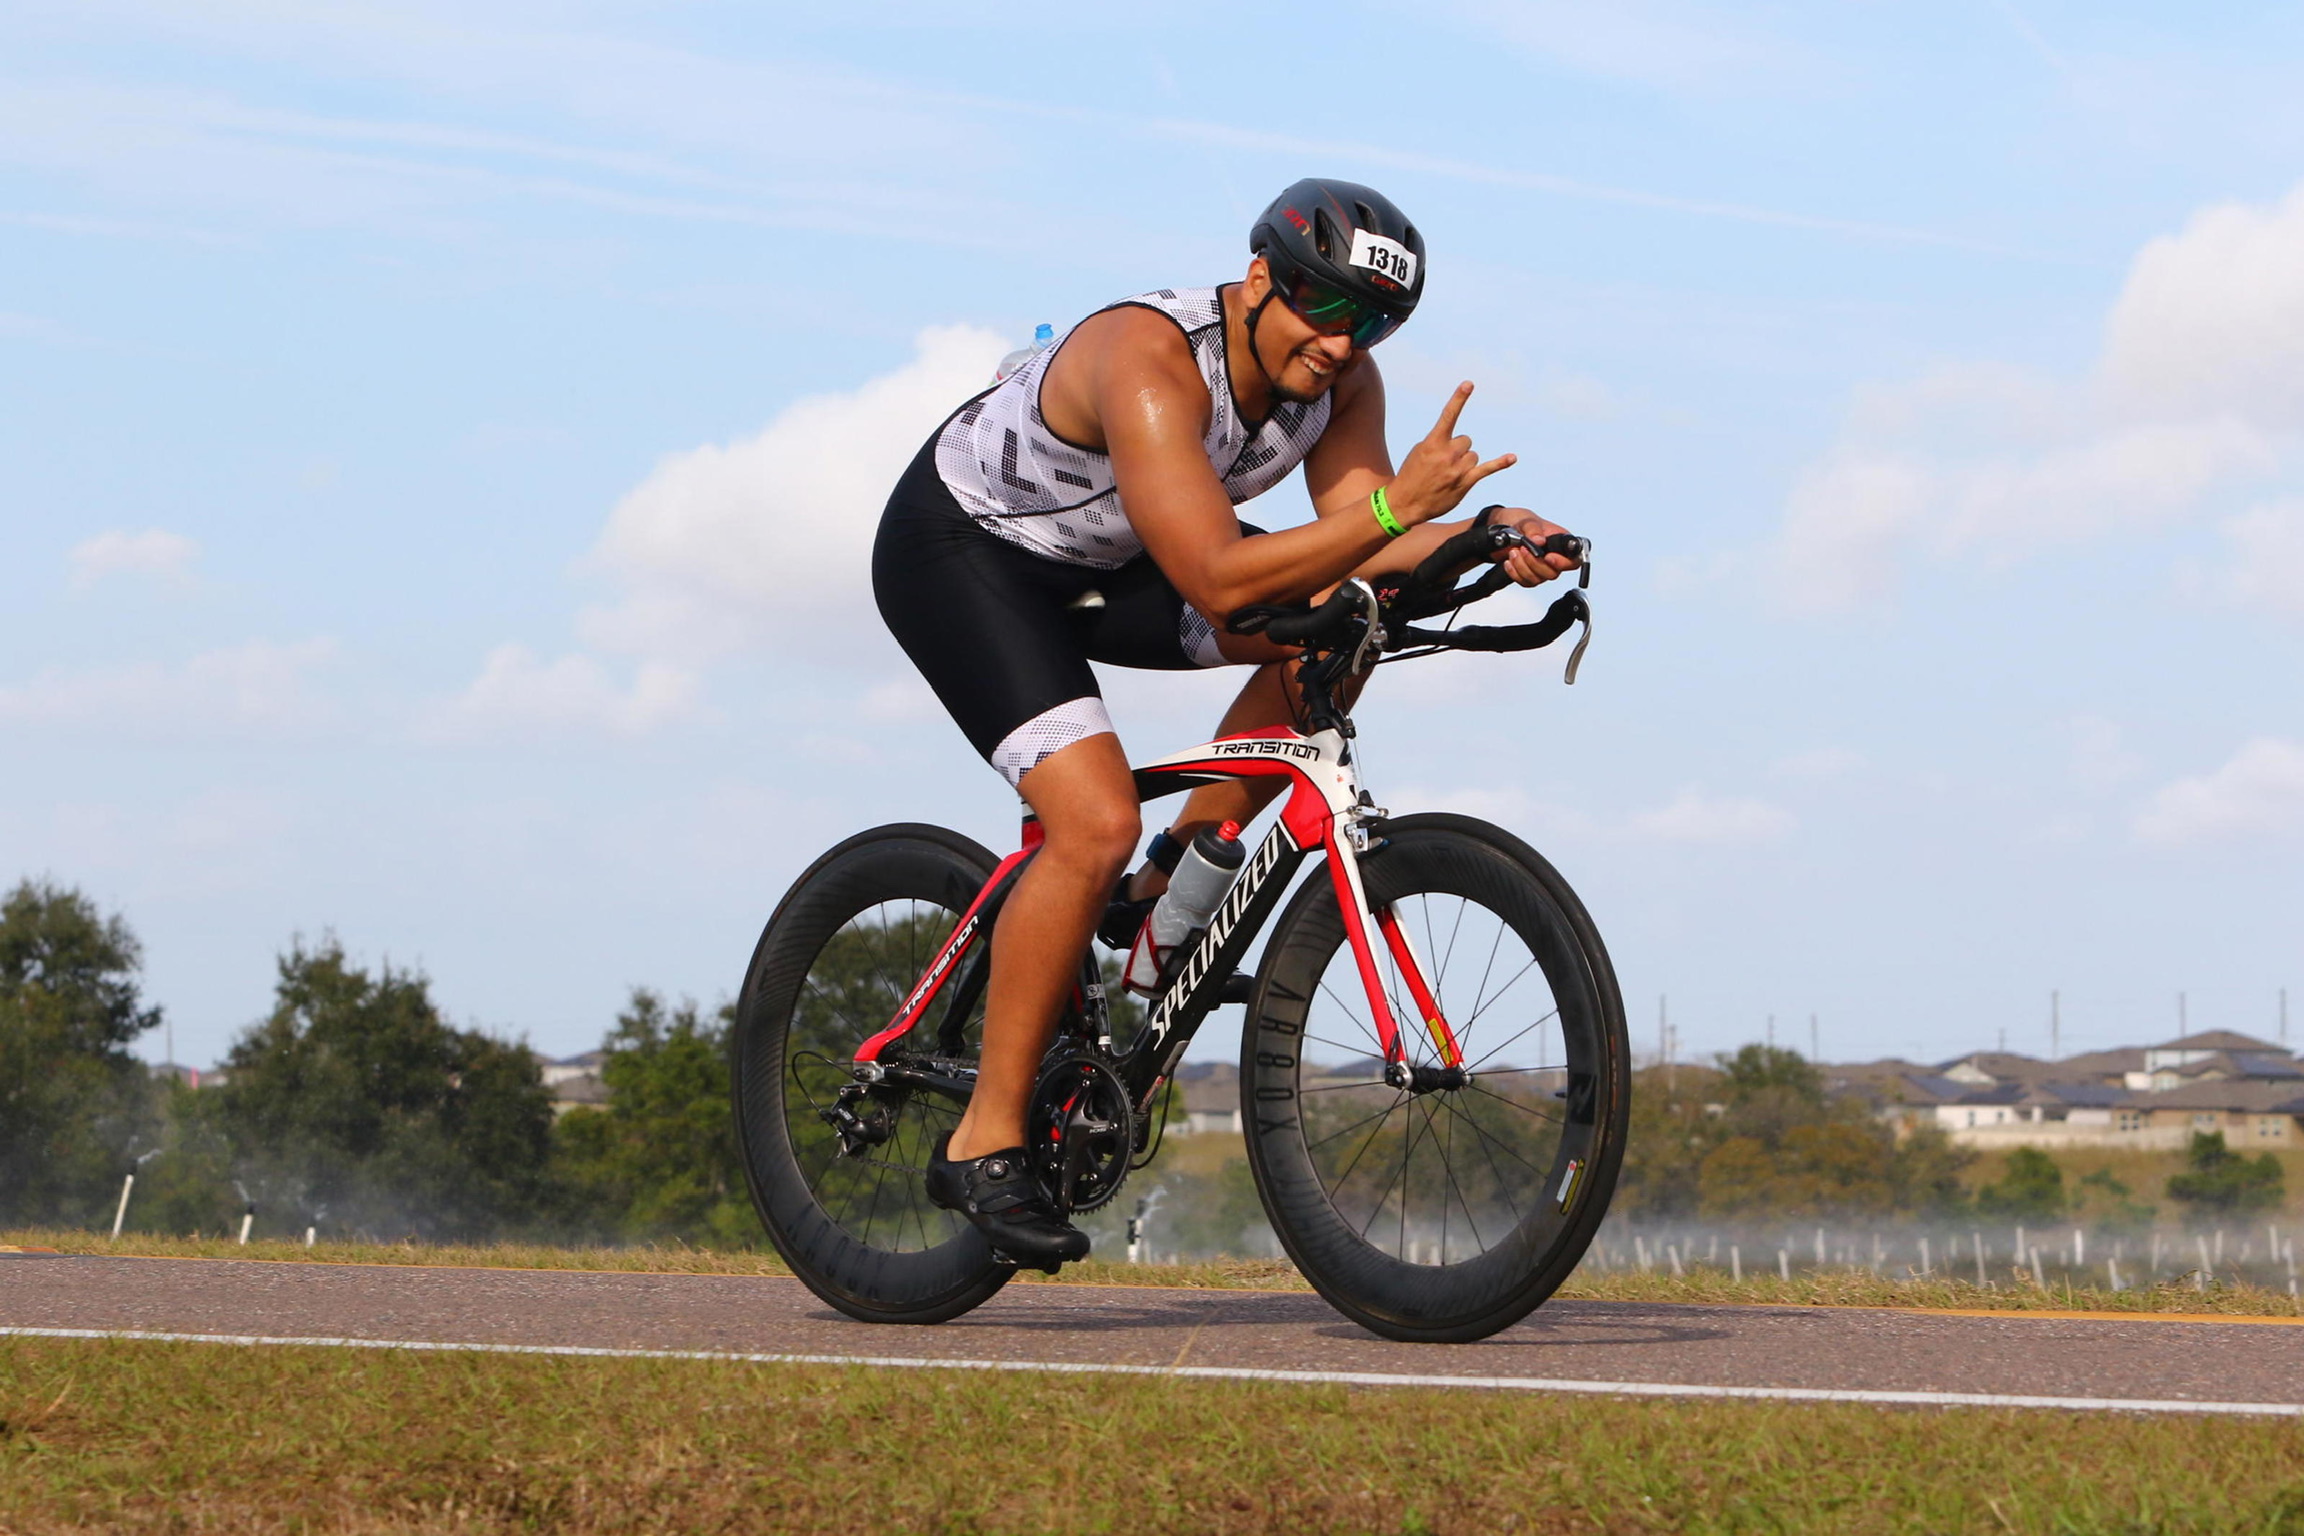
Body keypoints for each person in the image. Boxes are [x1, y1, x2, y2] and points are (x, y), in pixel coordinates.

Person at [871, 178, 1580, 1266]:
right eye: (1323, 307)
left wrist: (1485, 532)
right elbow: (1217, 577)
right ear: (1260, 280)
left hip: (1119, 559)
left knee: (1351, 618)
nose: (1344, 342)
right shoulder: (1151, 359)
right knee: (1091, 820)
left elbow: (1358, 539)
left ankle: (1173, 893)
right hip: (968, 557)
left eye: (1374, 323)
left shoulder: (1340, 383)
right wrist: (1403, 514)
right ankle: (984, 1137)